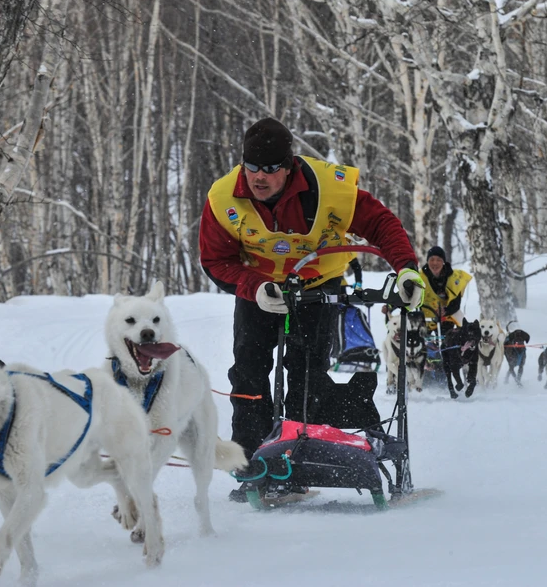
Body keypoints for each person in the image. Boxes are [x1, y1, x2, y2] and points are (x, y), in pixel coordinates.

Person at [198, 117, 424, 501]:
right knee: (249, 373)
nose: (259, 178)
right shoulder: (223, 199)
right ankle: (253, 467)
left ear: (289, 166)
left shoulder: (330, 190)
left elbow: (382, 225)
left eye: (270, 169)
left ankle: (297, 461)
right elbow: (215, 260)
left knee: (305, 374)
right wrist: (255, 287)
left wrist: (406, 269)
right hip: (260, 289)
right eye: (251, 167)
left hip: (318, 287)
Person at [420, 245, 472, 335]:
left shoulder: (453, 278)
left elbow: (456, 304)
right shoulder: (419, 277)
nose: (435, 263)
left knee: (451, 336)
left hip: (446, 318)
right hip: (424, 318)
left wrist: (446, 310)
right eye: (432, 259)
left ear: (443, 262)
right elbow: (407, 295)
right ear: (427, 261)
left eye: (438, 260)